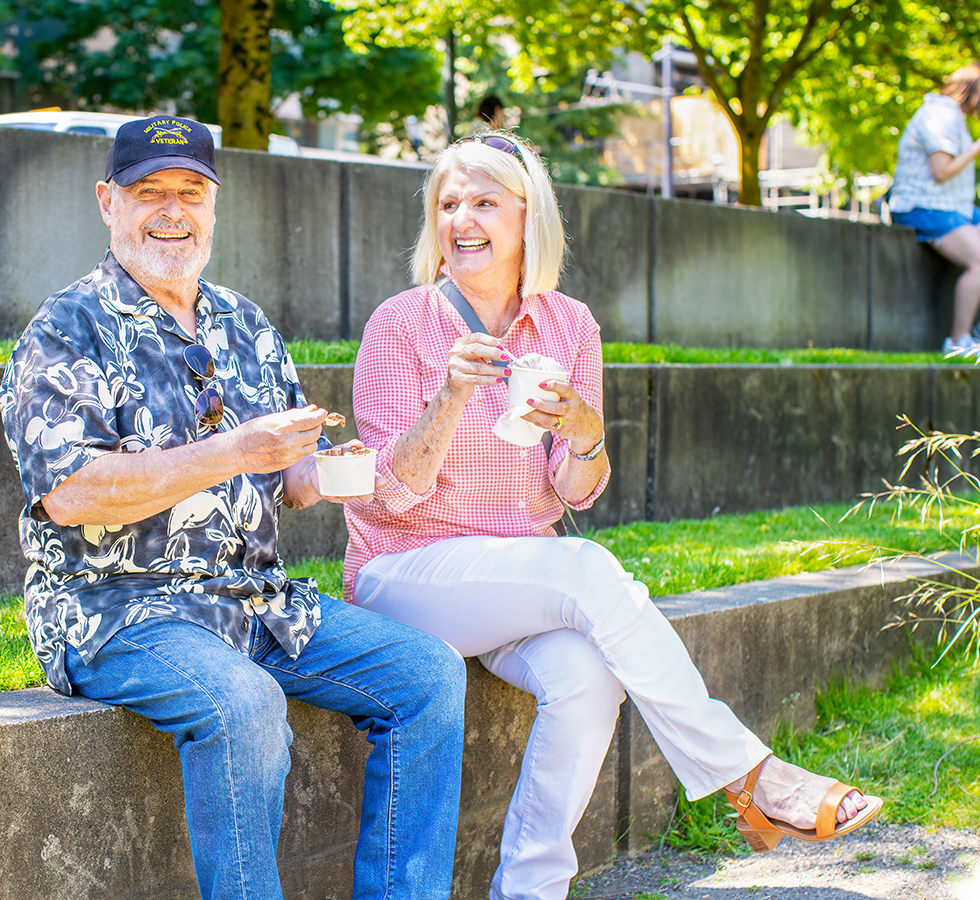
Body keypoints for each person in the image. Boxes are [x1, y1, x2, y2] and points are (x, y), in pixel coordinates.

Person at [342, 131, 884, 900]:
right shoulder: (402, 324)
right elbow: (386, 494)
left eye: (485, 201)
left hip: (518, 579)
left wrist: (586, 434)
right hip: (407, 576)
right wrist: (451, 398)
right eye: (448, 202)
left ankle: (529, 891)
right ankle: (750, 776)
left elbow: (575, 492)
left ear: (529, 217)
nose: (462, 217)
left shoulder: (569, 326)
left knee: (590, 676)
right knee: (587, 566)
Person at [0, 115, 467, 900]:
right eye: (150, 192)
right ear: (108, 202)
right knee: (246, 704)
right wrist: (236, 451)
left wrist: (327, 469)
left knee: (428, 675)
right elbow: (72, 492)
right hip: (118, 610)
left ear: (214, 206)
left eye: (190, 192)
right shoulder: (63, 330)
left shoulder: (243, 324)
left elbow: (291, 479)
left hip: (254, 602)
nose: (171, 211)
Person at [889, 62, 980, 355]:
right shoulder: (940, 115)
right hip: (923, 207)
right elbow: (941, 171)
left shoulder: (952, 116)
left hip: (952, 207)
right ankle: (958, 341)